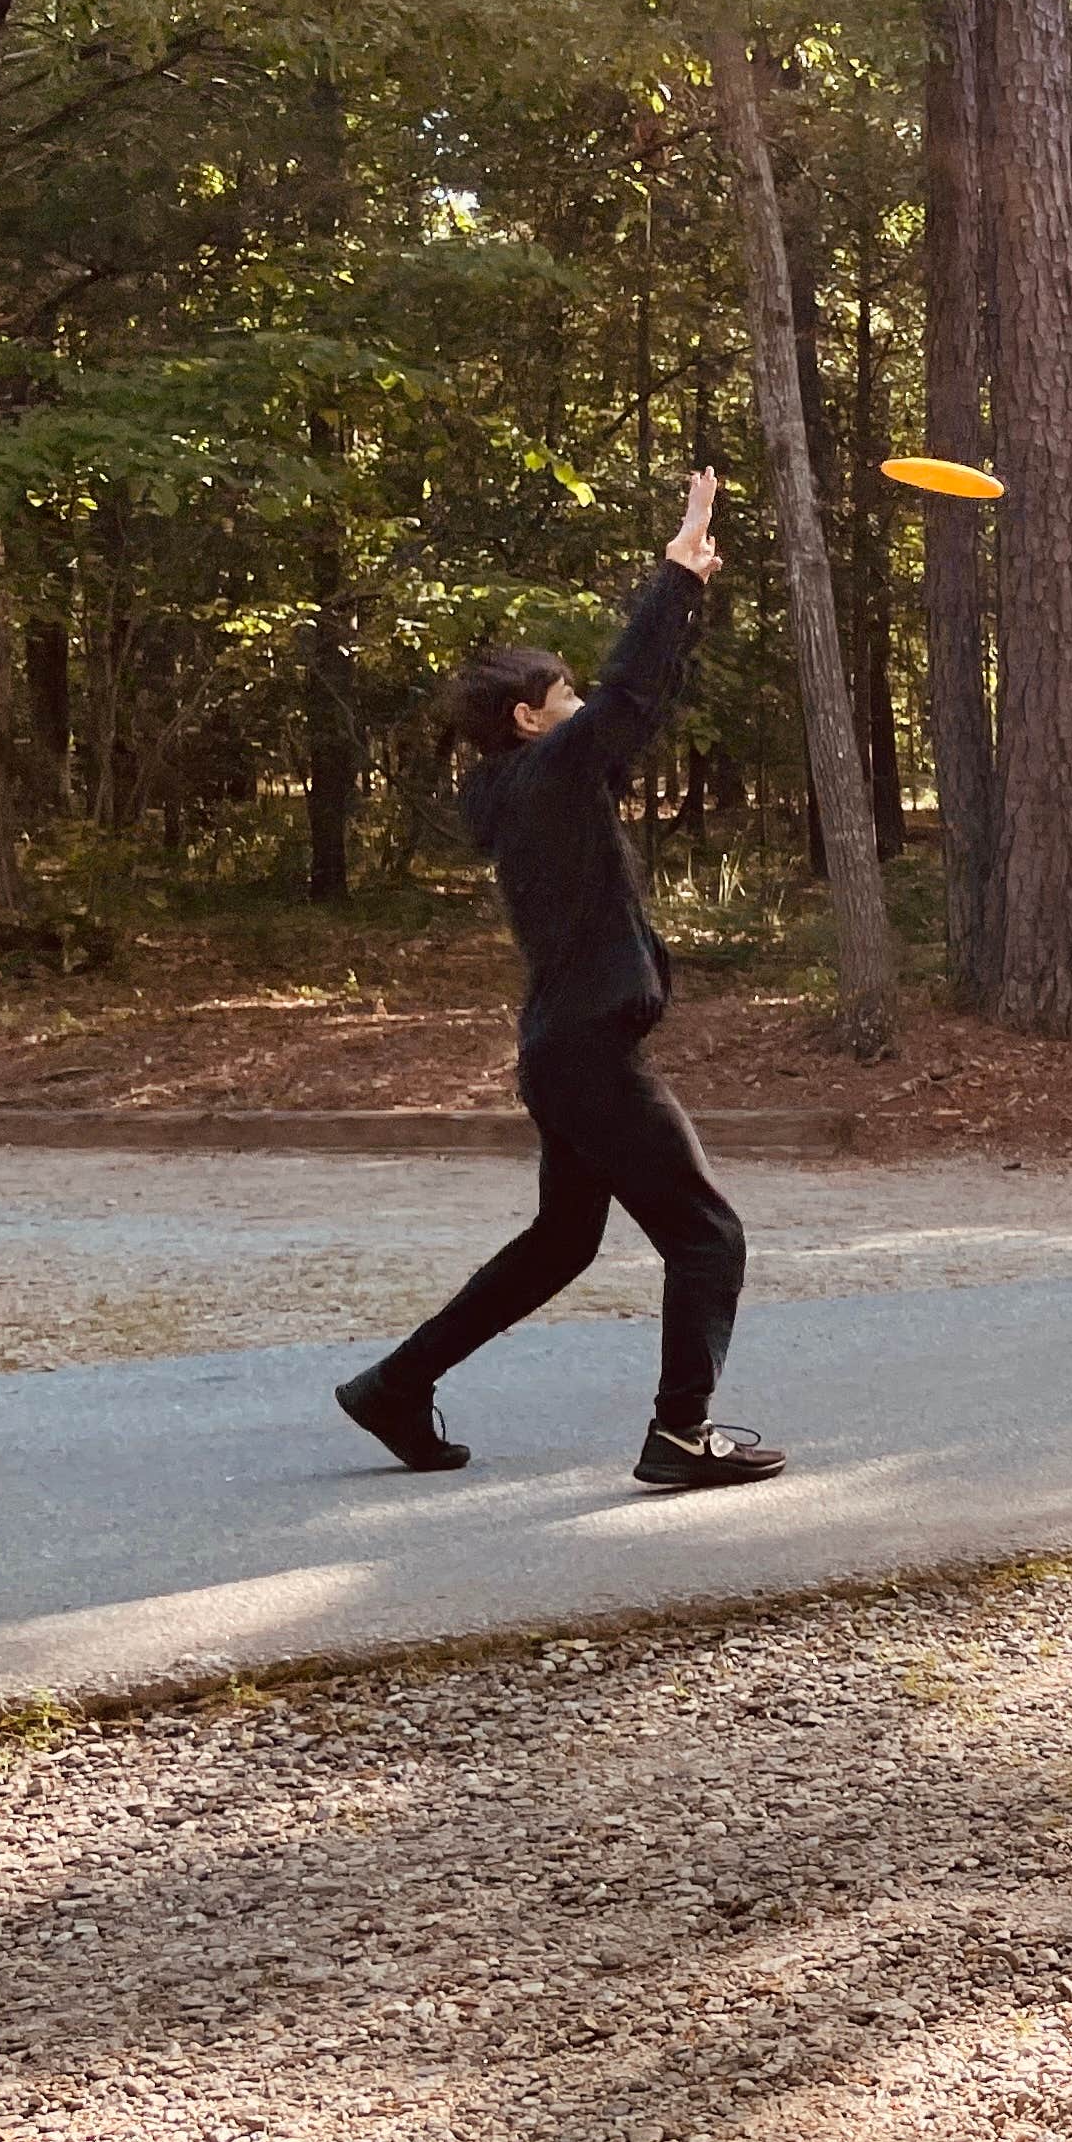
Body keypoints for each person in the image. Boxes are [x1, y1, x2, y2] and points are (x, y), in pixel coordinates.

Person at [334, 470, 789, 1487]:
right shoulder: (548, 780)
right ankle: (679, 1435)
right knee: (709, 1237)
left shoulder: (529, 791)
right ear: (535, 722)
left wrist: (687, 609)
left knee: (561, 1243)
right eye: (563, 697)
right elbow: (628, 695)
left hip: (562, 1049)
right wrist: (677, 575)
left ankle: (394, 1387)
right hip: (584, 1052)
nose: (581, 708)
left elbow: (635, 707)